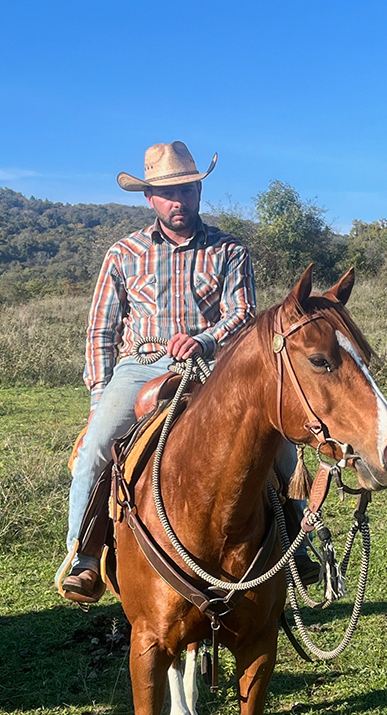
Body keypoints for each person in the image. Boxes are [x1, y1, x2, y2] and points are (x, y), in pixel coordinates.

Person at [58, 140, 316, 604]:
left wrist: (206, 338)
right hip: (141, 365)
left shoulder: (229, 250)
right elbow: (101, 329)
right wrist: (100, 397)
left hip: (213, 366)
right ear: (149, 198)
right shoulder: (124, 254)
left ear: (199, 191)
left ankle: (297, 545)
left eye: (188, 190)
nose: (180, 201)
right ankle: (85, 557)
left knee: (283, 452)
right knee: (97, 446)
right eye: (168, 193)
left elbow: (243, 312)